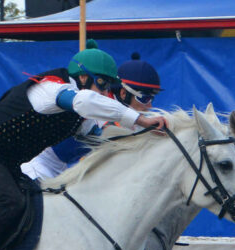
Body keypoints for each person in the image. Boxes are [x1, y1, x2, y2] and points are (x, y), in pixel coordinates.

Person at [0, 40, 167, 250]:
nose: (107, 91)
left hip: (8, 165)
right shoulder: (51, 90)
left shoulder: (82, 117)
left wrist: (150, 138)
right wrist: (141, 119)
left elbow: (105, 141)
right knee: (10, 203)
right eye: (103, 84)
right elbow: (84, 101)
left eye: (109, 86)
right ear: (83, 77)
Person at [20, 52, 162, 181]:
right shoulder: (93, 107)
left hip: (59, 174)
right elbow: (87, 102)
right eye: (145, 99)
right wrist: (142, 121)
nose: (150, 106)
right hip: (32, 169)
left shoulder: (107, 111)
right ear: (124, 93)